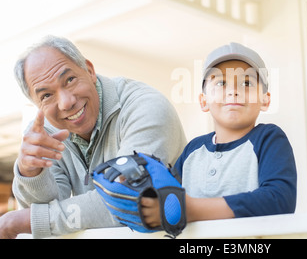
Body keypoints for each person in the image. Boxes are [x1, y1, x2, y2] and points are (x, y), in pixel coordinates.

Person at [0, 36, 186, 239]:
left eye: (69, 80)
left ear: (89, 70)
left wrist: (22, 222)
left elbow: (128, 200)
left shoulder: (145, 107)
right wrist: (30, 172)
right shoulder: (44, 131)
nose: (66, 102)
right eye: (46, 95)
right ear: (36, 104)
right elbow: (42, 215)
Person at [140, 42, 297, 228]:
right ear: (204, 101)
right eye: (221, 83)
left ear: (265, 99)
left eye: (246, 83)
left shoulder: (269, 139)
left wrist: (191, 209)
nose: (233, 91)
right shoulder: (193, 150)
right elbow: (166, 196)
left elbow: (279, 199)